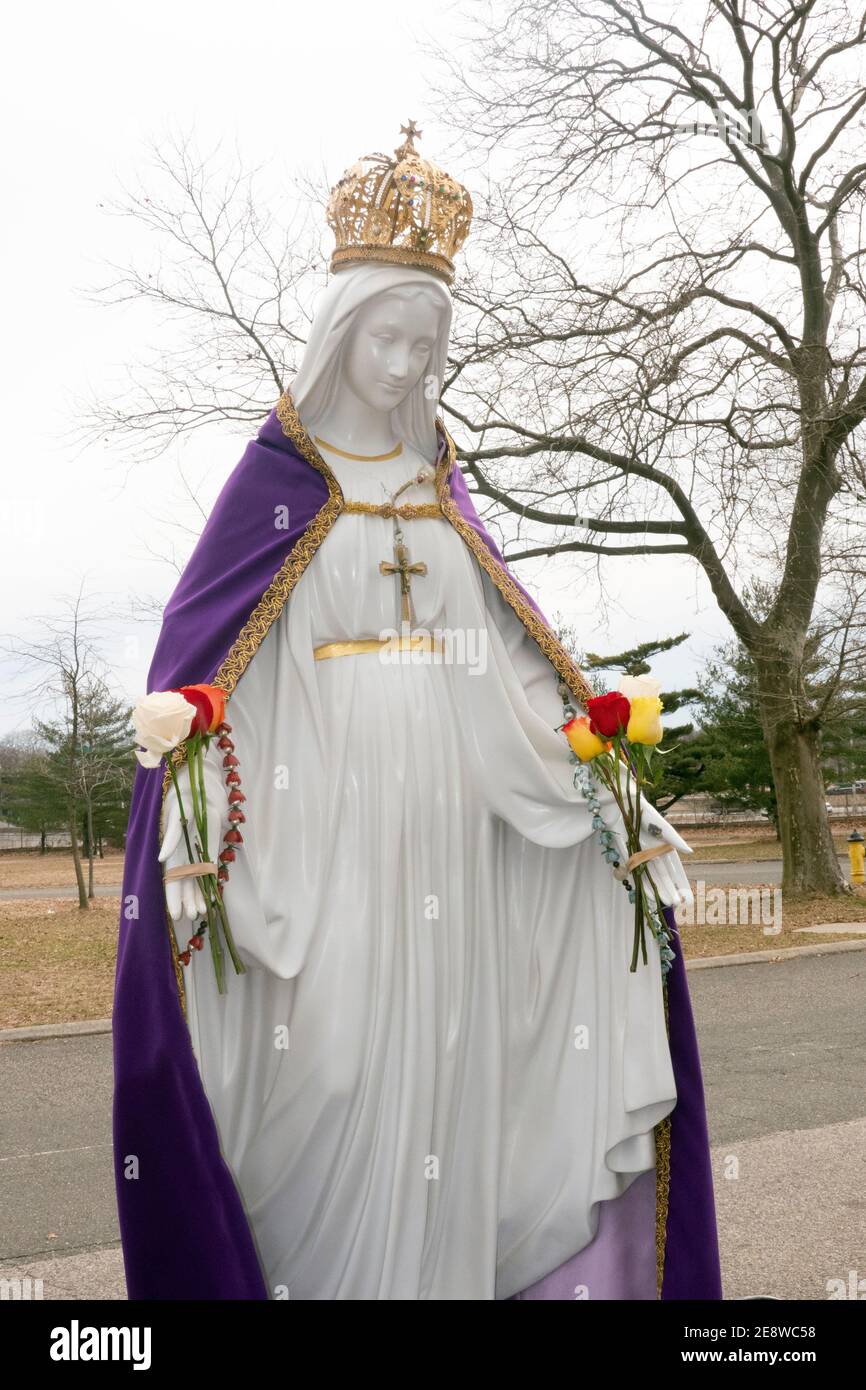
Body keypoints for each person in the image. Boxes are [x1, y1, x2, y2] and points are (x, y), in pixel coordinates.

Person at [113, 123, 721, 1301]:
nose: (401, 366)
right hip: (325, 826)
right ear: (341, 333)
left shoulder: (442, 485)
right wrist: (200, 781)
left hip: (454, 822)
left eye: (423, 344)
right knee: (330, 1069)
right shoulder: (278, 484)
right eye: (384, 337)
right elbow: (214, 667)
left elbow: (512, 660)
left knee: (449, 1070)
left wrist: (598, 774)